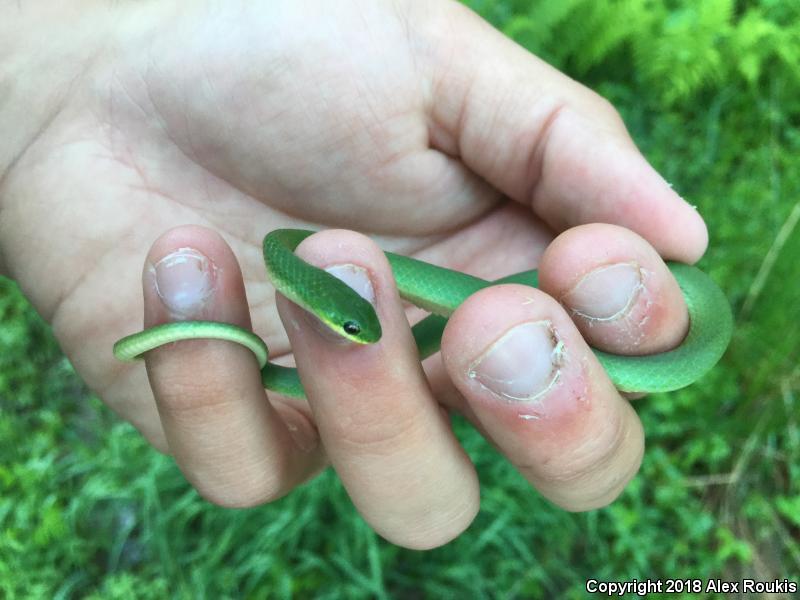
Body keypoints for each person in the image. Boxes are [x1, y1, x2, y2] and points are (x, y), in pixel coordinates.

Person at [0, 0, 707, 549]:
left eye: (350, 325)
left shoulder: (305, 265)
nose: (356, 334)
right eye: (347, 323)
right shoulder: (286, 256)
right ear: (316, 298)